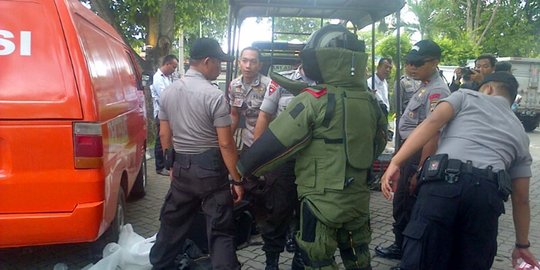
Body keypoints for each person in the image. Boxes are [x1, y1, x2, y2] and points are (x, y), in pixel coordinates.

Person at [238, 24, 387, 270]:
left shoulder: (312, 99)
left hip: (320, 201)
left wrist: (241, 169)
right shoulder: (370, 99)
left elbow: (272, 146)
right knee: (358, 255)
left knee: (316, 257)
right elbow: (380, 140)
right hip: (357, 198)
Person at [380, 72, 540, 270]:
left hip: (443, 186)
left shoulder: (465, 96)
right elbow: (522, 198)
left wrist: (396, 162)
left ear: (488, 88)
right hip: (487, 196)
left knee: (420, 259)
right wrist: (522, 245)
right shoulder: (520, 132)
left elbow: (431, 124)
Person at [149, 38, 244, 270]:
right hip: (210, 171)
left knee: (173, 222)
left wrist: (172, 165)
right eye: (219, 62)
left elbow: (164, 135)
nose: (220, 67)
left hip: (181, 169)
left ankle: (159, 263)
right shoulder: (214, 96)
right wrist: (237, 179)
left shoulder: (169, 92)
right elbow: (225, 143)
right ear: (207, 61)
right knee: (220, 229)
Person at [375, 40, 451, 264]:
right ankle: (401, 246)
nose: (411, 68)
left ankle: (408, 255)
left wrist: (420, 170)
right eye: (409, 63)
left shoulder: (437, 91)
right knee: (402, 204)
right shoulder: (424, 85)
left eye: (418, 63)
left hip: (418, 156)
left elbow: (432, 134)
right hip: (409, 153)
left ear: (435, 62)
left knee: (409, 205)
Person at [251, 65, 312, 270]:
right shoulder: (281, 80)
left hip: (313, 160)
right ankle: (272, 261)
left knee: (308, 214)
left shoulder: (327, 81)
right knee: (276, 210)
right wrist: (259, 156)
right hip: (283, 158)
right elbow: (264, 116)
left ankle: (300, 260)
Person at [229, 47, 271, 149]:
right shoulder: (234, 85)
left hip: (267, 139)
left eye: (253, 62)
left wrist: (257, 148)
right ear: (239, 63)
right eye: (244, 61)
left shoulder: (268, 85)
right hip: (247, 139)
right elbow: (234, 114)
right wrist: (227, 141)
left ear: (260, 65)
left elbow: (267, 116)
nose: (248, 66)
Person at [150, 54, 179, 176]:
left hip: (169, 113)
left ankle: (168, 164)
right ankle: (160, 166)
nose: (174, 70)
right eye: (173, 67)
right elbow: (164, 96)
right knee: (160, 140)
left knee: (168, 139)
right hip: (161, 114)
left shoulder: (168, 78)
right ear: (167, 64)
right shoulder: (158, 78)